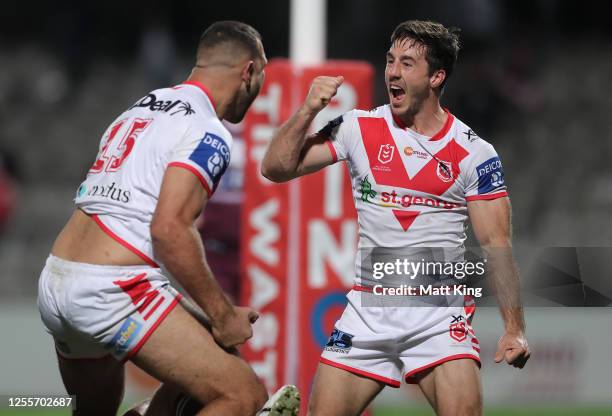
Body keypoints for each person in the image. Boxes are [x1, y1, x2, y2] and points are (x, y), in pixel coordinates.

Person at [261, 20, 530, 416]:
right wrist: (307, 110)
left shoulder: (475, 153)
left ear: (436, 76)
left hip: (439, 316)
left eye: (407, 63)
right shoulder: (358, 127)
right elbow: (275, 168)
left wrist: (514, 328)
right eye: (390, 61)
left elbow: (497, 246)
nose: (392, 72)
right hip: (368, 313)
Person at [37, 20, 299, 416]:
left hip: (58, 278)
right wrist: (223, 316)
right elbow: (169, 229)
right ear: (248, 72)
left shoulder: (140, 107)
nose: (259, 89)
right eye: (261, 75)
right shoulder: (208, 130)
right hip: (113, 288)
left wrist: (213, 322)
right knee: (242, 395)